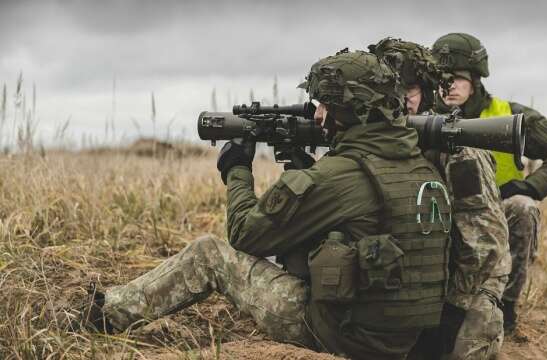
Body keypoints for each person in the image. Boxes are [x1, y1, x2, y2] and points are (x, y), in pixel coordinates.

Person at [80, 49, 461, 360]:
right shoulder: (419, 167)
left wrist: (237, 169)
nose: (318, 115)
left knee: (209, 254)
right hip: (402, 341)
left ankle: (106, 315)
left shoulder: (341, 174)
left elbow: (247, 234)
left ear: (350, 111)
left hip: (342, 338)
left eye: (325, 105)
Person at [431, 33, 547, 333]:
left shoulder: (506, 113)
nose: (449, 85)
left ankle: (507, 307)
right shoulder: (423, 114)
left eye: (458, 78)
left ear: (475, 79)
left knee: (523, 208)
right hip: (439, 213)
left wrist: (530, 187)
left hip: (495, 212)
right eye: (442, 78)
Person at [371, 37, 512, 360]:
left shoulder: (457, 150)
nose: (397, 102)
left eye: (407, 93)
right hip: (416, 271)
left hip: (469, 279)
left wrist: (450, 314)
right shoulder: (378, 137)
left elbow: (486, 246)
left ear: (428, 91)